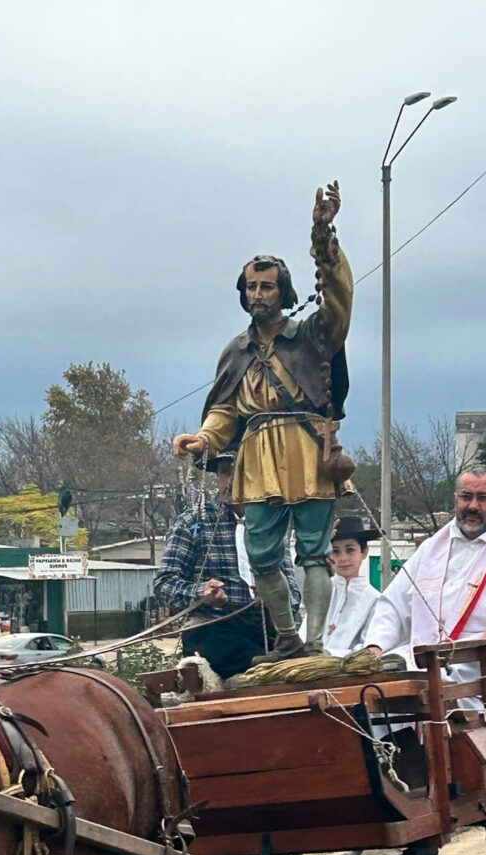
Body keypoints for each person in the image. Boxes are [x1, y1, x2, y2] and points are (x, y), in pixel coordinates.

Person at [171, 183, 354, 662]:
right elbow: (226, 409)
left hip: (307, 445)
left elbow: (338, 299)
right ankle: (288, 637)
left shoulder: (311, 334)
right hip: (256, 454)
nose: (258, 294)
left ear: (283, 290)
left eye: (266, 285)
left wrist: (324, 237)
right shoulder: (236, 350)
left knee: (313, 550)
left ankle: (315, 643)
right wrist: (203, 438)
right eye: (251, 286)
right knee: (262, 553)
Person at [363, 465, 486, 694]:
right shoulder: (432, 548)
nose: (472, 506)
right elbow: (394, 603)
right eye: (466, 497)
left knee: (413, 684)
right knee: (372, 686)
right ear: (455, 499)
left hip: (483, 661)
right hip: (426, 657)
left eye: (482, 498)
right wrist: (376, 645)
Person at [153, 454, 300, 680]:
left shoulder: (273, 526)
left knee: (298, 658)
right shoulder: (194, 522)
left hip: (266, 633)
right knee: (215, 642)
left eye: (241, 472)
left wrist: (274, 598)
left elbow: (293, 596)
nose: (231, 481)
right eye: (225, 472)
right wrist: (202, 592)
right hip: (214, 630)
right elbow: (163, 585)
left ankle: (268, 667)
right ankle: (263, 669)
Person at [305, 514, 379, 655]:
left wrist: (331, 655)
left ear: (364, 552)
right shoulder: (321, 591)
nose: (343, 558)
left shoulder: (375, 599)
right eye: (335, 551)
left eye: (350, 550)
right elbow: (305, 636)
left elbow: (368, 646)